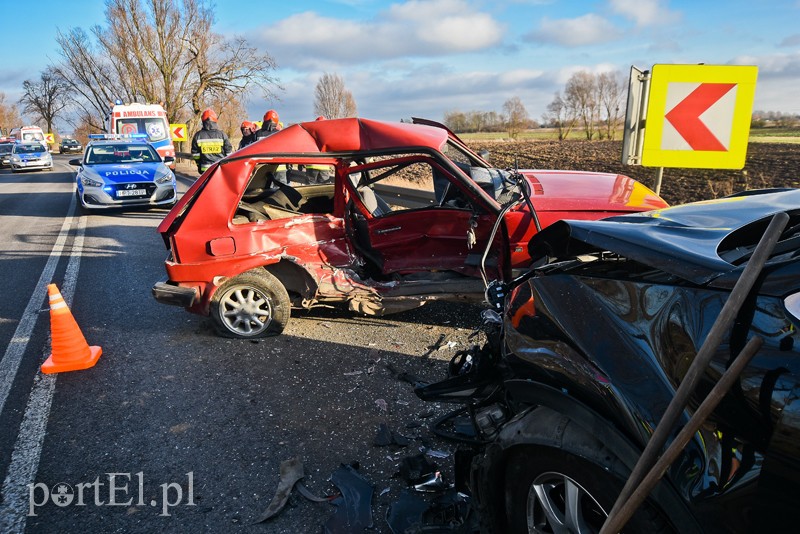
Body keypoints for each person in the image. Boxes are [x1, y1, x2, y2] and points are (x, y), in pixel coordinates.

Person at [190, 108, 232, 174]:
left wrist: (199, 165)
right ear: (215, 121)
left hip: (205, 169)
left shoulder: (198, 136)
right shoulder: (222, 135)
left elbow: (195, 154)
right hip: (220, 168)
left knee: (206, 184)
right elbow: (229, 153)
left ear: (203, 121)